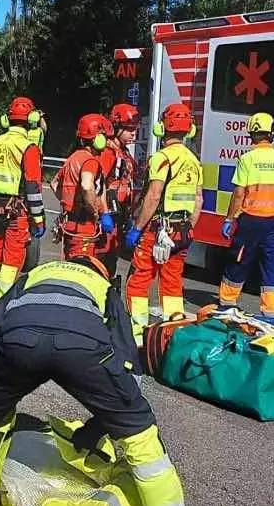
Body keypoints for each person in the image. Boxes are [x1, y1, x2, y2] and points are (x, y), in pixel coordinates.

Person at [0, 257, 185, 506]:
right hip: (82, 348)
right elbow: (127, 361)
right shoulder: (103, 288)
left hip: (20, 341)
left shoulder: (35, 274)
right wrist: (108, 422)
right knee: (141, 438)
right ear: (102, 273)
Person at [124, 103, 203, 345]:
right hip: (181, 231)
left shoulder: (161, 158)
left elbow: (153, 195)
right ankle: (173, 336)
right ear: (189, 130)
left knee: (139, 279)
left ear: (161, 128)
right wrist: (188, 227)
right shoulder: (194, 161)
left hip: (158, 230)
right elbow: (198, 199)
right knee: (172, 282)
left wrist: (137, 228)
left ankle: (137, 335)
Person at [218, 113, 274, 318]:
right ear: (272, 133)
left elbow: (238, 193)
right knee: (271, 264)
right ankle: (271, 313)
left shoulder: (247, 159)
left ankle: (227, 305)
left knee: (240, 260)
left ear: (252, 134)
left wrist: (229, 219)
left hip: (251, 220)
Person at [0, 97, 46, 318]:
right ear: (32, 119)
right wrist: (38, 219)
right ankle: (2, 305)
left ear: (7, 120)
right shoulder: (28, 147)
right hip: (17, 212)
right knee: (12, 258)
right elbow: (33, 187)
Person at [51, 114, 114, 259]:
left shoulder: (72, 158)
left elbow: (55, 185)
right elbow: (86, 186)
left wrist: (69, 202)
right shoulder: (90, 161)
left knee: (70, 265)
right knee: (82, 269)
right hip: (83, 226)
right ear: (98, 139)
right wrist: (95, 211)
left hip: (69, 224)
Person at [98, 103, 141, 277]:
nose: (133, 133)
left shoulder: (123, 153)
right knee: (102, 262)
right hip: (108, 217)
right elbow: (98, 185)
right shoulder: (109, 153)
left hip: (120, 217)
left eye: (135, 129)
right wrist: (104, 213)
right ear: (116, 127)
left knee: (111, 262)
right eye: (129, 129)